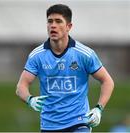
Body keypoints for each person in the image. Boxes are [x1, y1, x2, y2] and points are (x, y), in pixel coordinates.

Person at [16, 4, 114, 132]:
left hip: (79, 122)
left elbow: (107, 81)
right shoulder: (37, 55)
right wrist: (30, 99)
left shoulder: (84, 54)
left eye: (58, 21)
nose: (53, 25)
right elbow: (21, 87)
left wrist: (98, 109)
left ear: (69, 27)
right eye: (50, 21)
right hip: (49, 125)